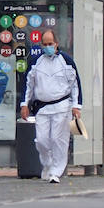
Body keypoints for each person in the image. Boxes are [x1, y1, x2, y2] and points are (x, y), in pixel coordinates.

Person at [19, 30, 81, 183]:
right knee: (41, 140)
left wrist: (76, 105)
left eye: (50, 44)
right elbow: (28, 85)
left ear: (56, 44)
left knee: (58, 139)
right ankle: (47, 164)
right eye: (45, 44)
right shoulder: (36, 61)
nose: (47, 47)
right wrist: (24, 104)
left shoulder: (66, 61)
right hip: (43, 108)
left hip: (62, 106)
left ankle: (56, 172)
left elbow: (75, 84)